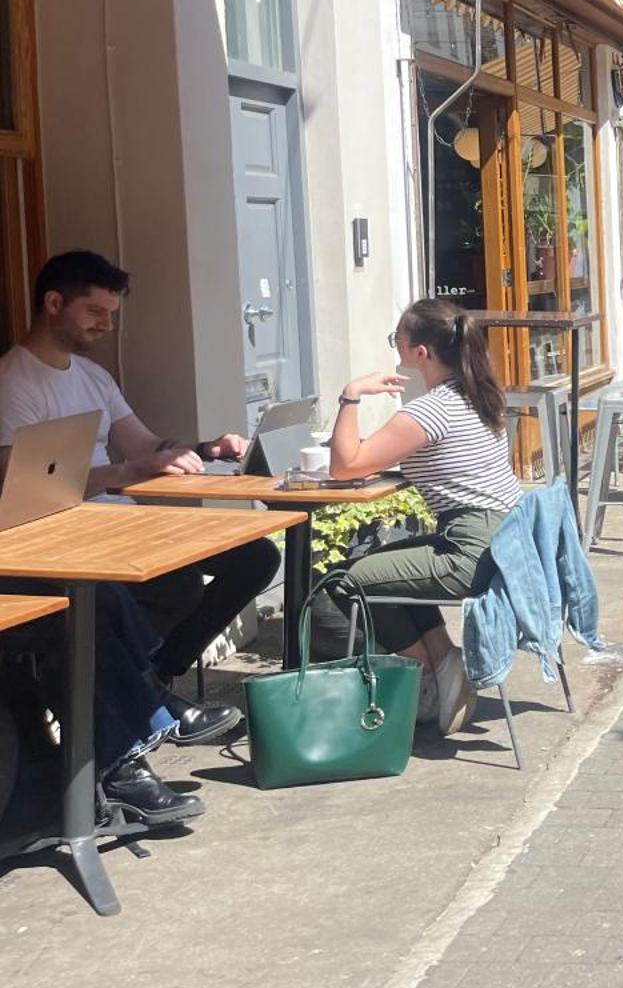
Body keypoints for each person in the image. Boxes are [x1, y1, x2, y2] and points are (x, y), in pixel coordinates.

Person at [0, 250, 278, 710]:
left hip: (121, 524)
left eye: (111, 314)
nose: (106, 326)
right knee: (178, 584)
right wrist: (125, 474)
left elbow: (144, 447)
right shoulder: (14, 382)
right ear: (53, 303)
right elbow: (22, 490)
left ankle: (158, 676)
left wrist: (205, 450)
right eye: (95, 312)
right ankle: (147, 695)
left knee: (257, 557)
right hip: (63, 534)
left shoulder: (92, 375)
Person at [325, 299, 524, 735]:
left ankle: (424, 674)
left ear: (420, 353)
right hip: (508, 540)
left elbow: (343, 466)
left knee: (343, 579)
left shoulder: (429, 410)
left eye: (397, 338)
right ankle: (444, 661)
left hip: (471, 550)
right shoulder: (480, 395)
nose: (394, 345)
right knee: (387, 563)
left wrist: (351, 395)